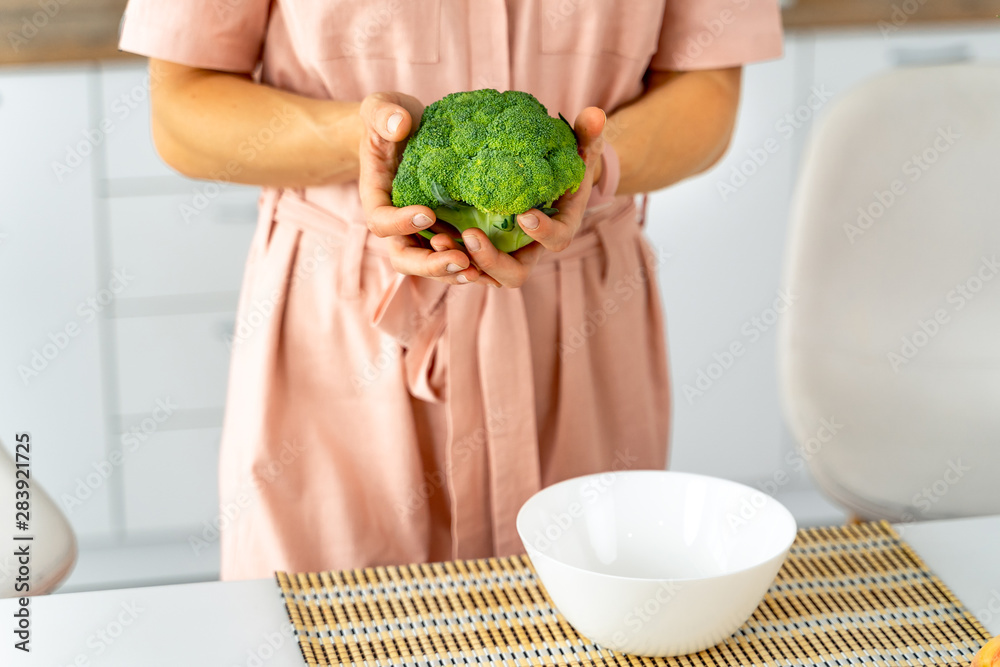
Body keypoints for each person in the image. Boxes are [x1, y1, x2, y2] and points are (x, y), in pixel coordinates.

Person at [119, 0, 783, 580]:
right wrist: (364, 141)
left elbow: (708, 97)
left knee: (590, 619)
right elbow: (182, 106)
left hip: (582, 327)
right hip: (342, 337)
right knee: (330, 627)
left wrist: (592, 165)